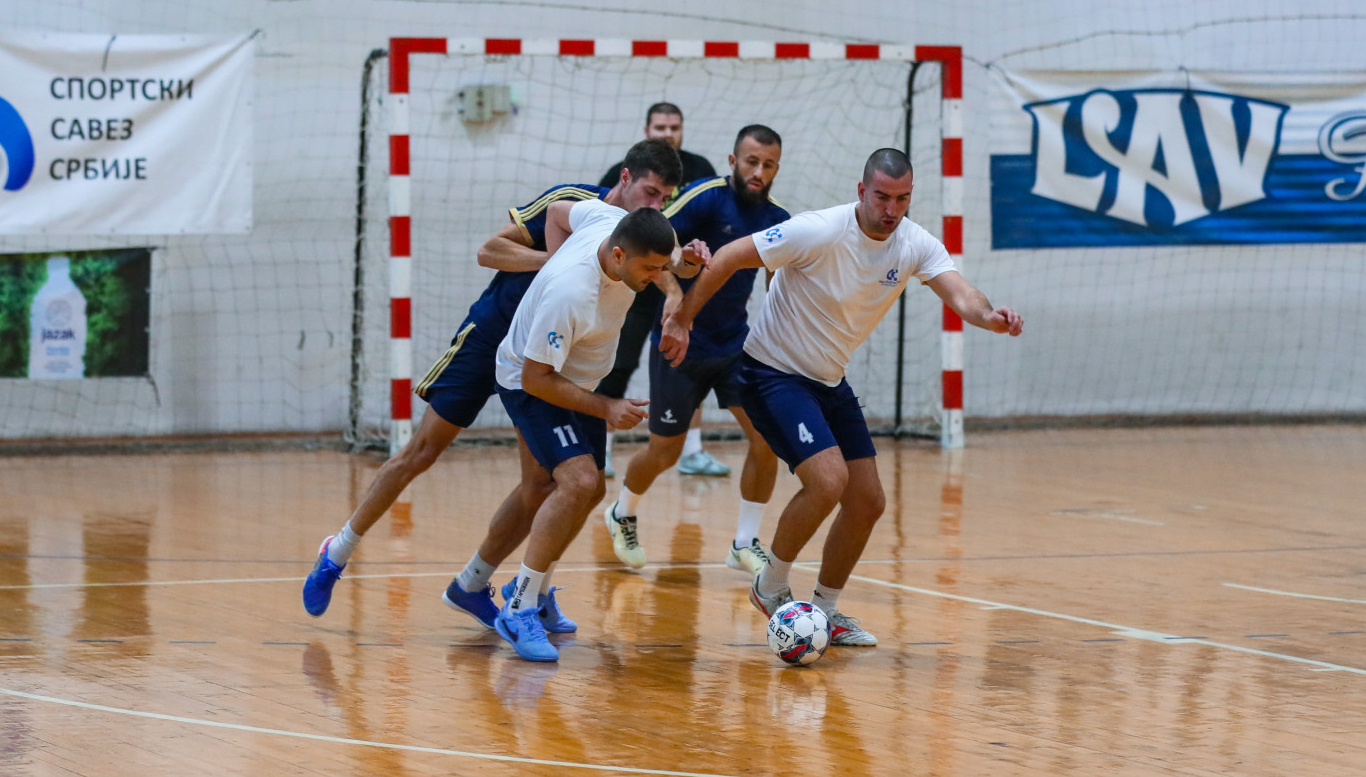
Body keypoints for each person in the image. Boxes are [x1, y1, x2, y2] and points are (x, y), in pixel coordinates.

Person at [301, 139, 683, 626]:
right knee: (422, 452)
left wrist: (675, 296)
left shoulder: (633, 240)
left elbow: (663, 265)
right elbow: (489, 250)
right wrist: (555, 261)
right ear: (626, 179)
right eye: (650, 192)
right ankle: (337, 551)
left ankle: (508, 587)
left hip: (546, 357)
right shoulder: (580, 205)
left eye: (663, 200)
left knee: (550, 486)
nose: (655, 206)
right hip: (493, 336)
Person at [660, 148, 1024, 647]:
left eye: (902, 199)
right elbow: (727, 257)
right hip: (771, 372)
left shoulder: (914, 243)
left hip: (828, 380)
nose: (891, 209)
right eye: (881, 197)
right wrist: (682, 317)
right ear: (861, 191)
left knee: (868, 501)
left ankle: (827, 608)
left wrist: (990, 316)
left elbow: (962, 294)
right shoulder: (819, 230)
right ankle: (771, 587)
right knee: (828, 480)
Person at [492, 201, 703, 661]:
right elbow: (535, 379)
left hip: (578, 378)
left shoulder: (613, 222)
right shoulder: (570, 292)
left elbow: (557, 212)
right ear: (619, 257)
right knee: (580, 482)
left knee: (588, 491)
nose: (654, 278)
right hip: (532, 381)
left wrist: (686, 264)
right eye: (648, 269)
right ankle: (519, 606)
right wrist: (607, 406)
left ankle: (534, 589)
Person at [603, 125, 788, 575]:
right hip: (679, 346)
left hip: (735, 346)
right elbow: (656, 244)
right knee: (665, 452)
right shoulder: (705, 197)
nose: (758, 171)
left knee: (766, 440)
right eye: (751, 162)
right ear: (733, 161)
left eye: (767, 165)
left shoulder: (780, 219)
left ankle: (744, 541)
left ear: (776, 168)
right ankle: (622, 510)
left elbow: (780, 280)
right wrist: (671, 295)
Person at [597, 102, 727, 479]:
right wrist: (670, 288)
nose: (667, 133)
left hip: (686, 286)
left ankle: (692, 451)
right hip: (633, 287)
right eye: (660, 126)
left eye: (674, 126)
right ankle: (600, 450)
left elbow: (717, 230)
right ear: (646, 129)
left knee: (691, 363)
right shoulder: (622, 175)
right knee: (617, 363)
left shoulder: (701, 170)